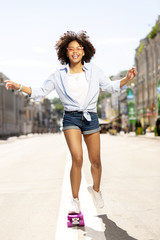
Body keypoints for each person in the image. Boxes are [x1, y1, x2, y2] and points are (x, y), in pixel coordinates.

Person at [5, 31, 137, 214]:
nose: (75, 51)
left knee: (96, 161)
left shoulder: (94, 71)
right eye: (71, 49)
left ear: (84, 52)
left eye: (79, 48)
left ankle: (96, 190)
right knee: (77, 158)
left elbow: (109, 87)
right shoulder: (58, 75)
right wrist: (18, 86)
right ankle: (75, 200)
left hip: (90, 117)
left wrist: (127, 79)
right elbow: (40, 92)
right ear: (65, 52)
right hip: (71, 118)